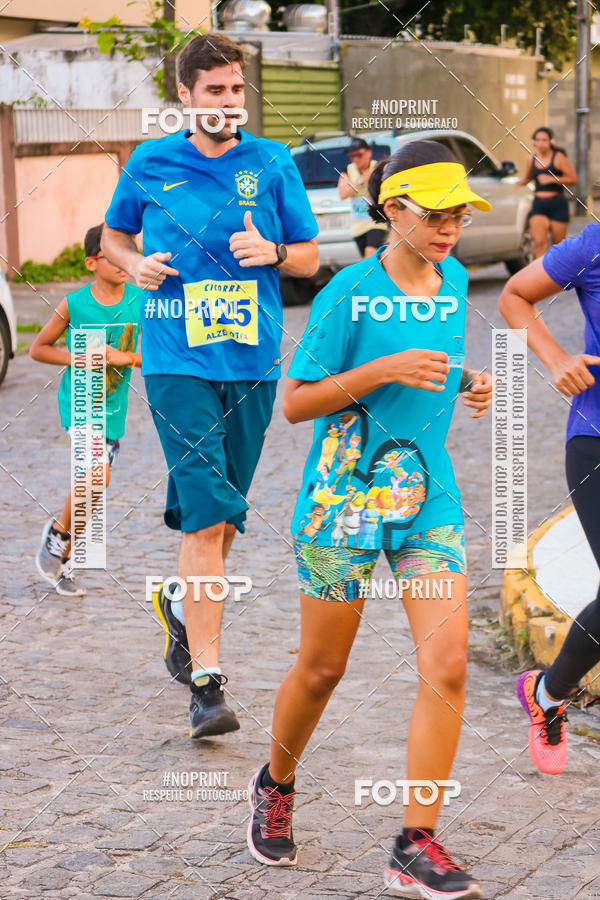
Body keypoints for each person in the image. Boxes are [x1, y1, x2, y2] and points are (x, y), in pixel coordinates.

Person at [246, 140, 493, 899]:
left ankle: (415, 844)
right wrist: (382, 369)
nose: (451, 228)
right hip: (341, 500)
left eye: (459, 214)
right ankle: (275, 782)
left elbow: (427, 366)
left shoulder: (451, 281)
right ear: (392, 210)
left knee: (448, 665)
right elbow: (297, 403)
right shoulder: (347, 293)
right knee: (322, 670)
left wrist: (466, 378)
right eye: (435, 214)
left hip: (428, 497)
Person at [101, 33, 319, 739]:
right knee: (203, 515)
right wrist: (133, 265)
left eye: (236, 89)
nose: (229, 102)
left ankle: (176, 600)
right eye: (215, 91)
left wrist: (277, 253)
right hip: (174, 357)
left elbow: (311, 255)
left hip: (252, 360)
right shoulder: (150, 161)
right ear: (186, 97)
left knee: (222, 518)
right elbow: (112, 238)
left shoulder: (272, 161)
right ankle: (208, 684)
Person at [499, 224, 600, 775]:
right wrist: (557, 357)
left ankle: (547, 692)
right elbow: (514, 294)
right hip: (596, 436)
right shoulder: (593, 245)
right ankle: (550, 693)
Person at [31, 223, 142, 597]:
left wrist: (124, 356)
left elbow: (158, 357)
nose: (124, 262)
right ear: (92, 262)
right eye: (114, 255)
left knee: (92, 489)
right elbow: (38, 348)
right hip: (79, 404)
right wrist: (76, 358)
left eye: (129, 252)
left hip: (114, 409)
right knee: (99, 477)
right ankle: (59, 541)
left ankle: (59, 546)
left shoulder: (140, 302)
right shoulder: (74, 303)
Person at [517, 126, 577, 257]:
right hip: (539, 205)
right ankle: (541, 276)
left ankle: (558, 276)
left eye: (544, 140)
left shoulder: (559, 157)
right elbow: (528, 178)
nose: (541, 143)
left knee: (558, 246)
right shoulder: (531, 159)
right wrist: (518, 182)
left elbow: (573, 179)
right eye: (537, 140)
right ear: (533, 142)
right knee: (539, 243)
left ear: (550, 141)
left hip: (557, 204)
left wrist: (552, 179)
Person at [337, 137, 388, 258]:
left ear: (369, 152)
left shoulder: (378, 168)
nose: (355, 159)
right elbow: (342, 194)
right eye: (352, 156)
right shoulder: (348, 170)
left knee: (370, 254)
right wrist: (361, 180)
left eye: (359, 155)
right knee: (371, 260)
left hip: (376, 222)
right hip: (358, 225)